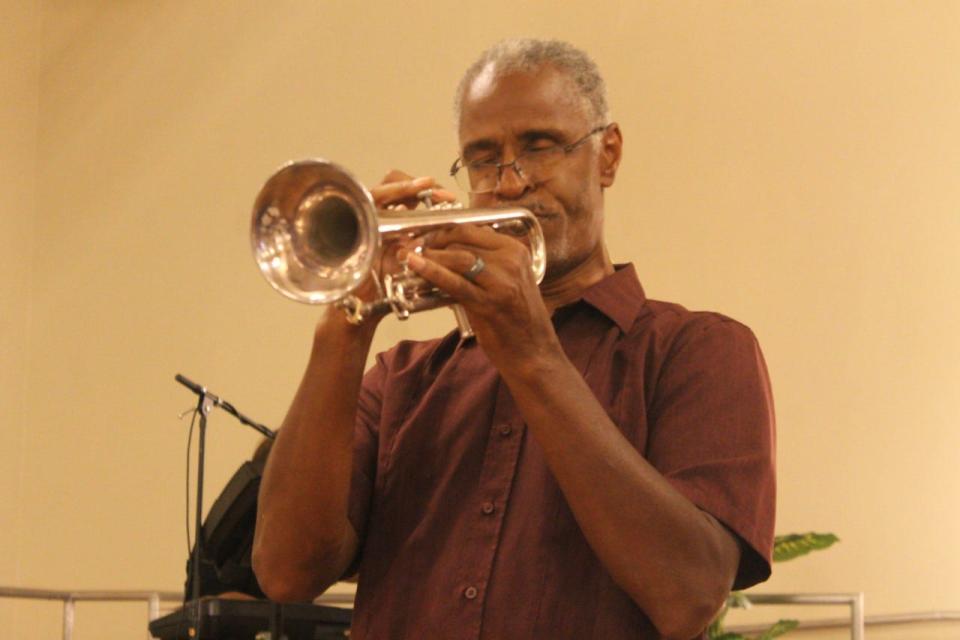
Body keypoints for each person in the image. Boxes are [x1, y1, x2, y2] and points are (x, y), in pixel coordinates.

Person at [252, 38, 775, 640]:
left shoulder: (699, 350)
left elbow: (689, 592)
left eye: (540, 146)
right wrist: (346, 322)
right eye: (482, 158)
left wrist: (531, 355)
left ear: (607, 155)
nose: (509, 182)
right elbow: (287, 572)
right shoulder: (401, 380)